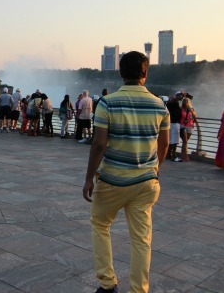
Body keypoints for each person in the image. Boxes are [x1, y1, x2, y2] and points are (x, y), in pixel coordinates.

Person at [83, 51, 170, 293]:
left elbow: (99, 144)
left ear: (120, 73)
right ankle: (138, 289)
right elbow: (164, 145)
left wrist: (89, 177)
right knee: (141, 239)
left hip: (112, 180)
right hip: (146, 182)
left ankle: (107, 283)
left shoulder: (107, 103)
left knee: (100, 224)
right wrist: (156, 168)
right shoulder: (160, 105)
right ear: (145, 72)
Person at [178, 97, 197, 162]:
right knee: (185, 141)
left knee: (185, 142)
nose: (185, 102)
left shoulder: (191, 109)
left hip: (190, 126)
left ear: (189, 102)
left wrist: (191, 110)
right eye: (184, 101)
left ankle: (182, 155)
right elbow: (178, 116)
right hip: (182, 126)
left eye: (186, 101)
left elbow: (194, 117)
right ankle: (186, 156)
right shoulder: (180, 109)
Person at [165, 92, 183, 160]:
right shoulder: (173, 103)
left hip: (170, 123)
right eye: (179, 96)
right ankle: (173, 155)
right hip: (174, 123)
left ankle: (169, 154)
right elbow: (174, 100)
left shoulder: (170, 104)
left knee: (170, 139)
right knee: (175, 140)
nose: (180, 97)